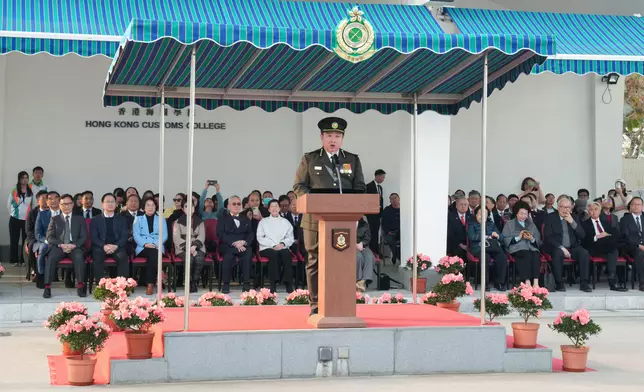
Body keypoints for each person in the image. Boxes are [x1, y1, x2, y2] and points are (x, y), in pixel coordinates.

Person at [293, 116, 365, 316]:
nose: (333, 140)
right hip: (315, 221)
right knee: (314, 261)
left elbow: (359, 188)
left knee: (343, 260)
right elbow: (299, 186)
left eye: (337, 136)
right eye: (329, 136)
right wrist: (314, 203)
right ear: (321, 137)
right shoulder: (310, 158)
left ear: (342, 138)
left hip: (344, 222)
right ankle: (315, 304)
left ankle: (341, 302)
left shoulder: (352, 159)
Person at [43, 194, 88, 298]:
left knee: (79, 257)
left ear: (72, 205)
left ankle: (80, 286)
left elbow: (84, 236)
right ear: (60, 205)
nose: (66, 206)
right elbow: (49, 237)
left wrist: (74, 245)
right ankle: (47, 287)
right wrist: (61, 244)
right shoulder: (55, 219)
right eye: (63, 204)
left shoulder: (80, 219)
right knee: (51, 257)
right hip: (59, 246)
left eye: (68, 204)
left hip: (75, 246)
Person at [543, 197, 591, 292]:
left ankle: (584, 283)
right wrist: (561, 248)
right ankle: (559, 282)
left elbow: (582, 235)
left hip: (573, 247)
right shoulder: (550, 217)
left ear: (571, 208)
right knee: (558, 253)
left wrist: (572, 222)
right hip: (556, 246)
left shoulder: (574, 217)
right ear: (558, 207)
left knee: (584, 253)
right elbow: (548, 237)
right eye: (563, 207)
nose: (565, 210)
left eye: (568, 207)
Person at [582, 202, 627, 292]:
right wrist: (597, 236)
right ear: (588, 212)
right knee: (614, 248)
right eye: (591, 210)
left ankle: (612, 281)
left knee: (613, 249)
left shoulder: (606, 222)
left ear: (600, 211)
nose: (593, 212)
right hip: (594, 247)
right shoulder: (584, 224)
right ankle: (613, 280)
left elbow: (614, 233)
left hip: (607, 247)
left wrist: (606, 234)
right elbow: (584, 240)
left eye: (596, 209)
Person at [217, 195, 254, 293]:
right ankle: (226, 284)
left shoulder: (245, 218)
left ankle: (246, 285)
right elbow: (220, 234)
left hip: (243, 245)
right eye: (234, 204)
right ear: (229, 206)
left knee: (248, 254)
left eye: (239, 204)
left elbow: (250, 233)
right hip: (228, 245)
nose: (237, 206)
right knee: (228, 256)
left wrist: (244, 242)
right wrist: (234, 243)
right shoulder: (222, 218)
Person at [90, 193, 129, 284]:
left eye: (112, 202)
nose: (110, 204)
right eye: (107, 202)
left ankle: (121, 286)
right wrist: (103, 246)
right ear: (102, 204)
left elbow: (124, 236)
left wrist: (116, 246)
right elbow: (94, 237)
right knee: (98, 257)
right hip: (101, 247)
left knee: (123, 257)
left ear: (116, 204)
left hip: (117, 247)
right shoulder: (95, 220)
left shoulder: (122, 219)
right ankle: (101, 286)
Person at [257, 199, 295, 293]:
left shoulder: (286, 222)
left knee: (287, 255)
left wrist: (282, 244)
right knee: (274, 255)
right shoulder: (263, 222)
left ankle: (288, 283)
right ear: (269, 209)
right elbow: (260, 237)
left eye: (276, 206)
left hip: (282, 247)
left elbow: (290, 238)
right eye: (272, 206)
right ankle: (273, 283)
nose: (274, 208)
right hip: (267, 247)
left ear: (279, 208)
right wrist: (272, 245)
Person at [467, 206, 508, 291]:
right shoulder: (472, 224)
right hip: (479, 247)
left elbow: (501, 236)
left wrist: (497, 235)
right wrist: (485, 236)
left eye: (484, 214)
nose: (482, 216)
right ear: (476, 215)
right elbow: (471, 236)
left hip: (492, 247)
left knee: (502, 258)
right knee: (485, 257)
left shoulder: (490, 224)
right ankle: (485, 283)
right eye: (480, 213)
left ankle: (499, 282)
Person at [502, 201, 542, 287]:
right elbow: (505, 239)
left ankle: (536, 282)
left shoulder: (531, 224)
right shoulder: (509, 224)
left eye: (525, 214)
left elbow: (537, 238)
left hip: (530, 247)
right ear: (516, 213)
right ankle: (526, 281)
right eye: (521, 214)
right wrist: (519, 237)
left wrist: (531, 239)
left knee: (536, 254)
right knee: (525, 254)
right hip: (516, 248)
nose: (523, 216)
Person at [133, 198, 168, 295]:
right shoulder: (138, 219)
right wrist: (145, 244)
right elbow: (136, 235)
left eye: (152, 205)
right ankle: (154, 281)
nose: (150, 207)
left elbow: (164, 235)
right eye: (148, 205)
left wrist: (155, 244)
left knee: (154, 254)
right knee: (154, 254)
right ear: (143, 208)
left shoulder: (161, 219)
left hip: (157, 245)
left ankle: (150, 284)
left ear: (156, 207)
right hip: (142, 247)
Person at [173, 197, 206, 293]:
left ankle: (194, 282)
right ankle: (188, 281)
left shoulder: (200, 221)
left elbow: (202, 236)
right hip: (182, 248)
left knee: (199, 259)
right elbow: (176, 238)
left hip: (198, 247)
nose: (189, 208)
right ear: (183, 209)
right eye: (186, 206)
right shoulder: (177, 222)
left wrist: (194, 247)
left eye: (191, 206)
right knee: (190, 259)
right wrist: (189, 248)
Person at [7, 171, 33, 266]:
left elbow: (32, 205)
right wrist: (13, 214)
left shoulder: (31, 191)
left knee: (25, 240)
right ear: (19, 179)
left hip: (27, 219)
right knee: (14, 240)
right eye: (22, 178)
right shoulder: (14, 190)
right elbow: (9, 204)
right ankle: (14, 260)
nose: (25, 180)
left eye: (26, 177)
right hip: (15, 219)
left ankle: (23, 260)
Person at [619, 197, 644, 292]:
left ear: (642, 206)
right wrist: (639, 245)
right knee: (640, 253)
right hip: (631, 247)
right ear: (630, 206)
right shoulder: (624, 219)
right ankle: (642, 283)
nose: (636, 206)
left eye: (639, 204)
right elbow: (626, 236)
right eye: (634, 204)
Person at [26, 190, 48, 282]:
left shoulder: (52, 212)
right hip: (34, 238)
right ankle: (35, 270)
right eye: (43, 198)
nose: (46, 200)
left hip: (48, 238)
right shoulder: (33, 212)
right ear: (38, 200)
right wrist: (37, 237)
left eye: (48, 198)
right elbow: (28, 229)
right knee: (31, 245)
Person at [365, 169, 386, 254]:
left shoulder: (380, 187)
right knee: (372, 232)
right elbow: (366, 200)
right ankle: (372, 251)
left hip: (378, 213)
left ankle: (376, 251)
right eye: (382, 177)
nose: (383, 179)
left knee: (376, 232)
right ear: (377, 176)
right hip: (371, 214)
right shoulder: (368, 186)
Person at [447, 197, 470, 261]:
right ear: (456, 206)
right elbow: (450, 233)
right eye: (461, 204)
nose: (463, 206)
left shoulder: (471, 217)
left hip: (468, 244)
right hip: (455, 244)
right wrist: (460, 244)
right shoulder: (450, 216)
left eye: (465, 204)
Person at [356, 216, 376, 292]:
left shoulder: (364, 224)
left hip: (362, 246)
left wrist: (362, 243)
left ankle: (362, 282)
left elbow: (368, 236)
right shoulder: (346, 222)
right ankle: (357, 279)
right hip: (351, 246)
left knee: (370, 257)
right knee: (358, 257)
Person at [381, 193, 401, 264]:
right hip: (389, 232)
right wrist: (388, 231)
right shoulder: (387, 210)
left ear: (399, 198)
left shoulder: (404, 209)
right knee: (390, 239)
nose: (394, 200)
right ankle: (396, 255)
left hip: (401, 232)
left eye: (395, 198)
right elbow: (383, 224)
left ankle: (397, 255)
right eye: (391, 199)